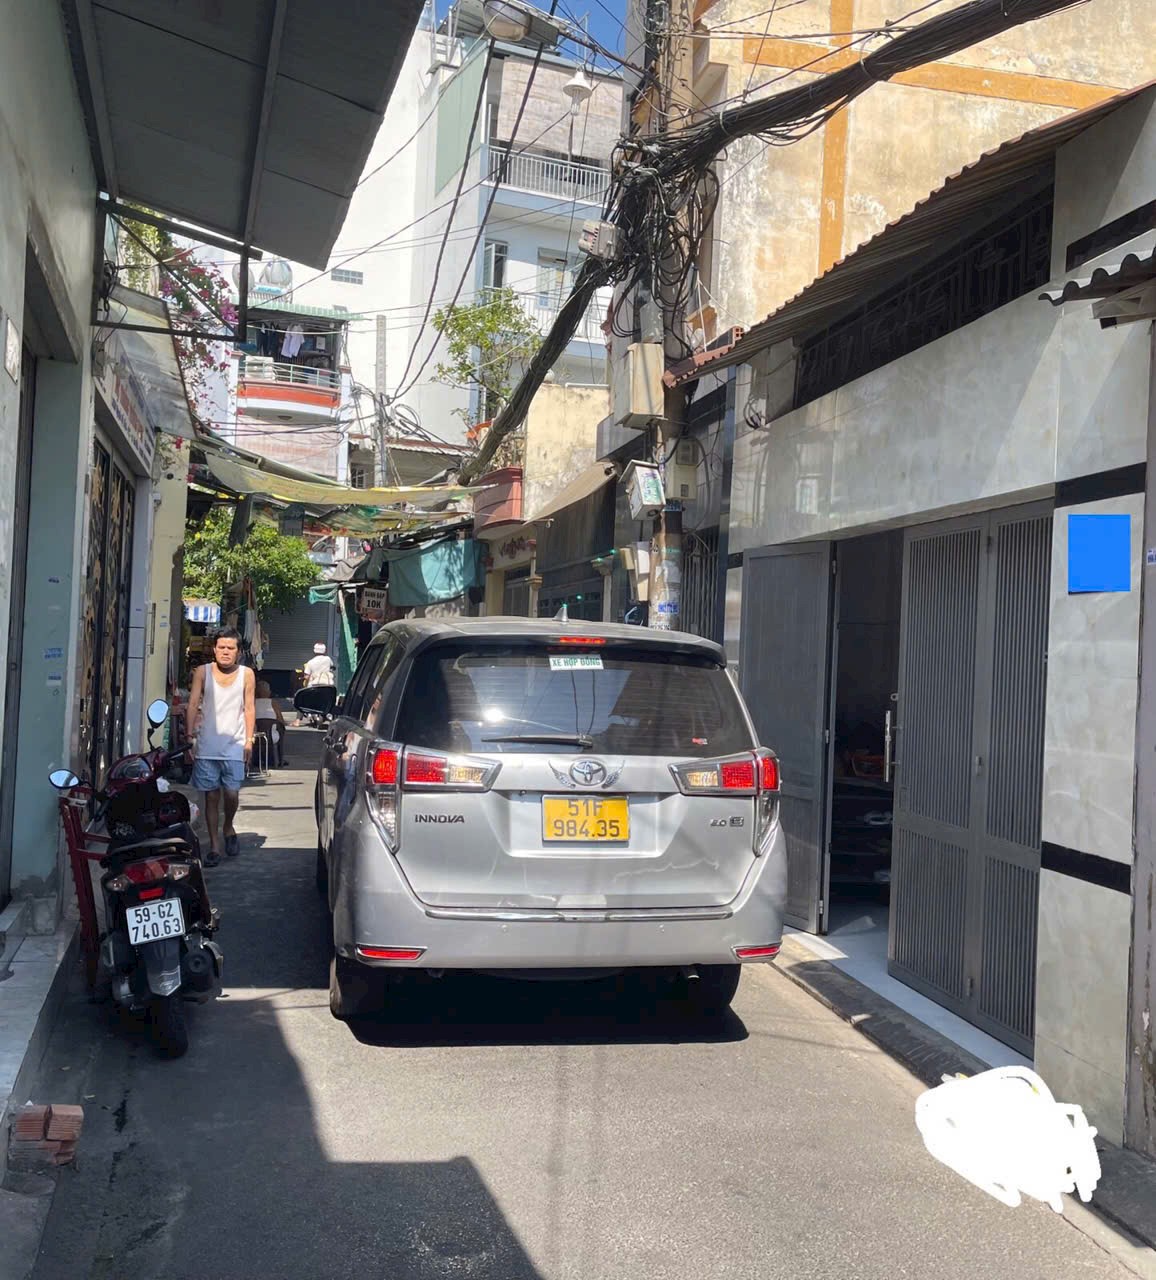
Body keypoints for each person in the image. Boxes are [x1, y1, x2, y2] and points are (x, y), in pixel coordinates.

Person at [185, 628, 256, 866]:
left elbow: (249, 708)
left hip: (235, 744)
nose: (226, 652)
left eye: (231, 648)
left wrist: (249, 740)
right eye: (222, 647)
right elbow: (193, 703)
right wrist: (189, 736)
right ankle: (215, 846)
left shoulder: (246, 674)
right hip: (207, 745)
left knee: (232, 793)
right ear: (214, 649)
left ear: (238, 652)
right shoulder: (202, 672)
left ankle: (228, 826)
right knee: (211, 796)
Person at [254, 680, 288, 768]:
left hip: (254, 735)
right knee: (281, 729)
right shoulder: (273, 703)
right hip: (272, 736)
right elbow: (280, 719)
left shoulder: (252, 703)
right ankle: (280, 759)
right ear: (268, 692)